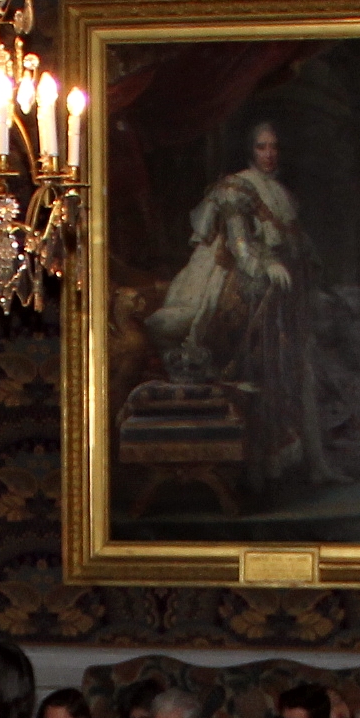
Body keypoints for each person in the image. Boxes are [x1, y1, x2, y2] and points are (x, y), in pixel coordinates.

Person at [145, 120, 333, 495]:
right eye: (262, 147)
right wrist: (266, 264)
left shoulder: (283, 194)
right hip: (243, 287)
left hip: (284, 293)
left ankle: (315, 462)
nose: (269, 154)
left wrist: (297, 269)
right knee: (258, 368)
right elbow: (240, 245)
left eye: (274, 147)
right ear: (251, 150)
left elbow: (299, 247)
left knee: (300, 368)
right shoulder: (237, 188)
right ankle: (255, 471)